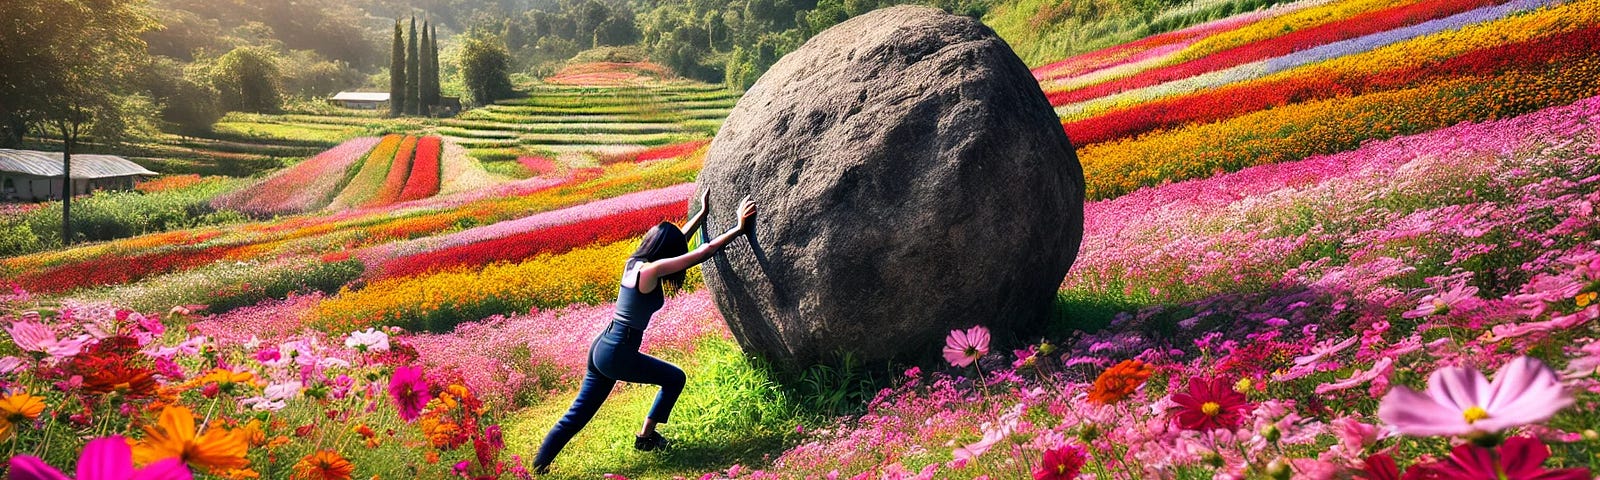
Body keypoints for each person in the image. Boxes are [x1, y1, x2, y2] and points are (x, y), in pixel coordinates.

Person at [531, 191, 758, 474]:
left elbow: (679, 246)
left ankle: (538, 468)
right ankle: (646, 436)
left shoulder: (634, 264)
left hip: (603, 345)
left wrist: (701, 214)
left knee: (577, 415)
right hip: (618, 351)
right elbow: (701, 253)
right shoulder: (651, 271)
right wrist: (738, 227)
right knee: (675, 378)